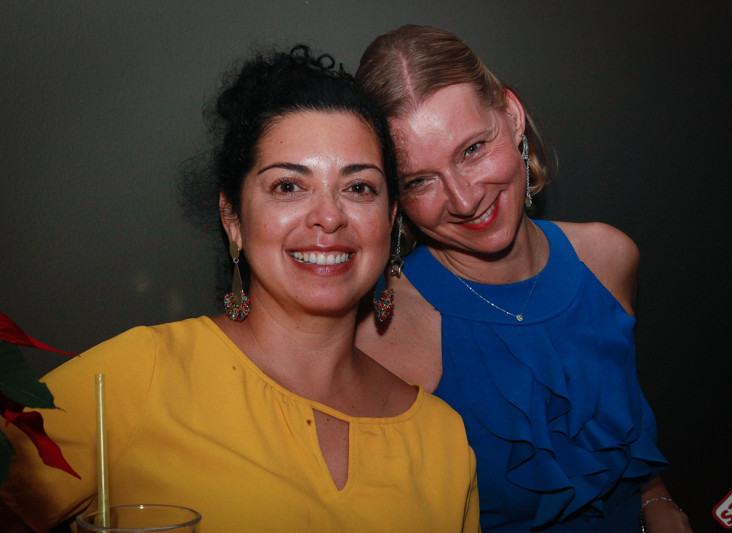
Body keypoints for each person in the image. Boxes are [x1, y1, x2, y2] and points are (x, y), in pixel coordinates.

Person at [0, 45, 480, 533]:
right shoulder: (137, 375)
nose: (329, 216)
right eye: (288, 186)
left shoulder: (442, 439)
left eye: (359, 188)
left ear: (391, 219)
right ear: (233, 218)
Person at [354, 25, 692, 533]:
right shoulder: (382, 331)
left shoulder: (608, 258)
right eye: (419, 180)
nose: (465, 199)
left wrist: (655, 499)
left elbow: (613, 430)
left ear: (511, 116)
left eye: (472, 149)